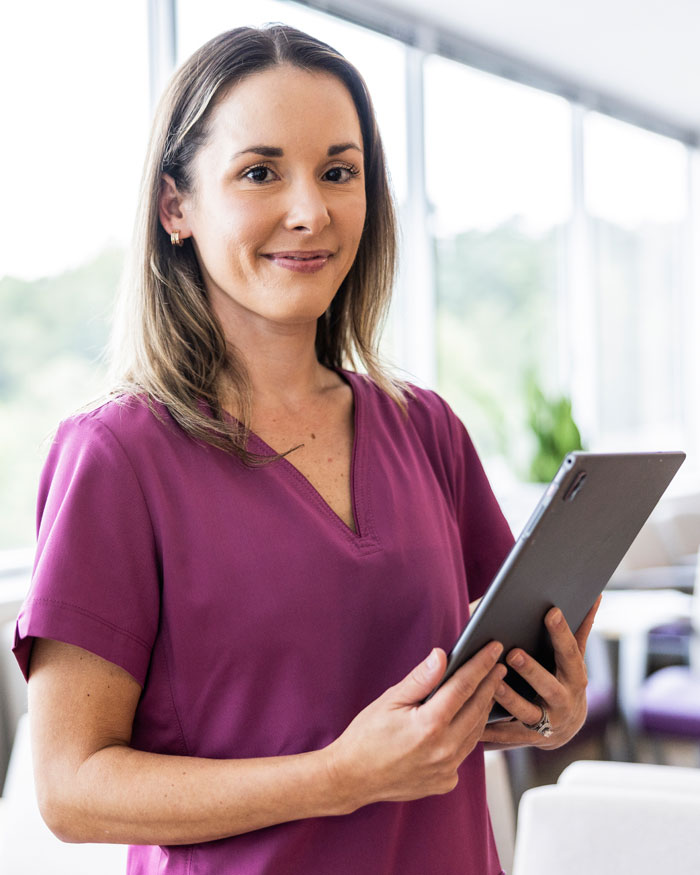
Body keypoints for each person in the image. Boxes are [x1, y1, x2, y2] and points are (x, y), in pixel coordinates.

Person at [13, 24, 597, 875]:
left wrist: (552, 710)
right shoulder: (118, 456)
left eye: (338, 171)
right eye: (260, 172)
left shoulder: (426, 429)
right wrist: (337, 777)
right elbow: (71, 788)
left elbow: (494, 689)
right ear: (175, 206)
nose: (310, 211)